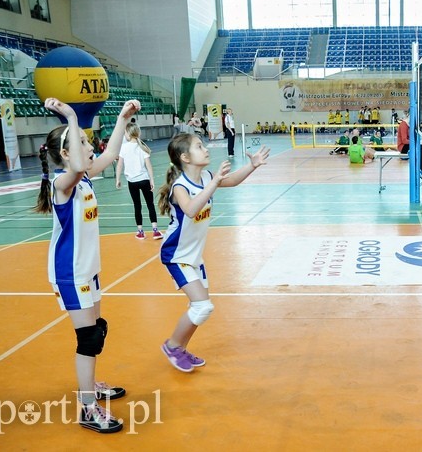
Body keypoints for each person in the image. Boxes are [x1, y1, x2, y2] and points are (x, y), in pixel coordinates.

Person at [34, 98, 140, 433]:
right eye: (81, 142)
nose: (90, 144)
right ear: (65, 154)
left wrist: (123, 119)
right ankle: (88, 409)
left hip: (88, 269)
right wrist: (70, 115)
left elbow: (110, 155)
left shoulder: (85, 179)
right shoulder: (62, 184)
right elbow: (79, 167)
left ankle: (90, 385)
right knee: (89, 338)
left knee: (98, 328)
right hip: (70, 273)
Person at [157, 134, 269, 372]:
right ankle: (172, 346)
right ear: (185, 157)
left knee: (200, 308)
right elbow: (190, 209)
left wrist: (252, 165)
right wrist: (214, 182)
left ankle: (180, 348)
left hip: (193, 256)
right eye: (199, 146)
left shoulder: (207, 178)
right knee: (202, 306)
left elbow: (233, 182)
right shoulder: (180, 186)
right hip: (176, 255)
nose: (205, 149)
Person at [116, 123, 163, 240]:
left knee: (137, 206)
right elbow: (149, 166)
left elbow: (119, 165)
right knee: (150, 204)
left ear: (127, 133)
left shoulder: (124, 147)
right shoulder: (142, 147)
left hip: (132, 182)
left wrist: (117, 179)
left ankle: (140, 231)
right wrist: (152, 179)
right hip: (144, 180)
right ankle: (155, 230)